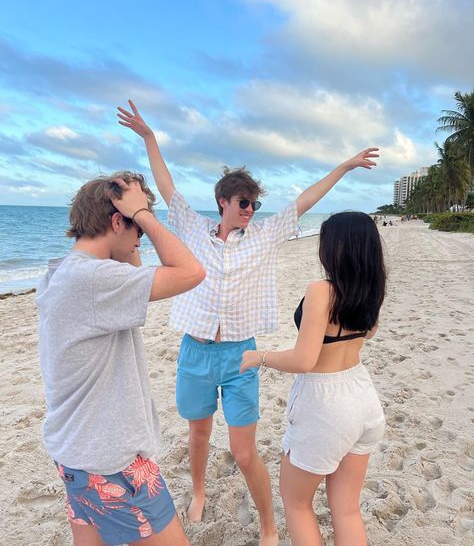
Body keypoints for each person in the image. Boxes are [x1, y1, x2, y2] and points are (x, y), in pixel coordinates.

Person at [117, 99, 379, 546]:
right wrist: (150, 138)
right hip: (195, 350)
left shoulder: (263, 235)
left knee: (244, 451)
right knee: (197, 432)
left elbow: (305, 199)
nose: (250, 210)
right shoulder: (195, 231)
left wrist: (345, 166)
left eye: (255, 203)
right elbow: (166, 186)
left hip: (242, 352)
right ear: (222, 201)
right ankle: (198, 490)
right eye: (243, 202)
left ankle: (269, 522)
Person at [36, 172, 206, 546]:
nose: (140, 242)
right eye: (137, 233)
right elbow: (192, 272)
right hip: (112, 463)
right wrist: (144, 215)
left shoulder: (61, 272)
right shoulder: (95, 280)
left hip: (75, 452)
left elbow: (133, 271)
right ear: (117, 221)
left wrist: (132, 227)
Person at [240, 211, 386, 546]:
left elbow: (305, 360)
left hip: (326, 404)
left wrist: (260, 357)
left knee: (296, 502)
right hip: (362, 396)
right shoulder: (371, 289)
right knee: (347, 509)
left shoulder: (322, 290)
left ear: (335, 248)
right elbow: (370, 333)